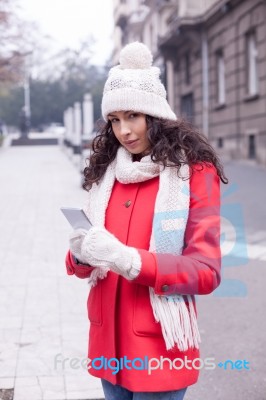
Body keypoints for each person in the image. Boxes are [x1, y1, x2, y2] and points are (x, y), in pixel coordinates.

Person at [65, 42, 228, 400]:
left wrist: (129, 260)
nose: (124, 131)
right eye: (115, 120)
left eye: (133, 116)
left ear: (154, 114)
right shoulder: (108, 173)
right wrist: (80, 254)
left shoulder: (193, 173)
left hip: (158, 349)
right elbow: (85, 267)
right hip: (108, 345)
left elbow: (205, 271)